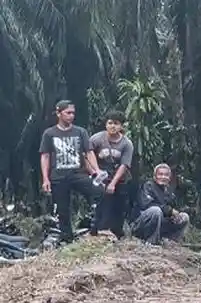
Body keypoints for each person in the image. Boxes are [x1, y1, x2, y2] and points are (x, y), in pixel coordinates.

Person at [39, 100, 101, 243]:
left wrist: (96, 170)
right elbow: (45, 156)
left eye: (73, 113)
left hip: (78, 173)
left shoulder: (80, 131)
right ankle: (67, 239)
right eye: (68, 113)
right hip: (58, 176)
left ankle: (97, 228)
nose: (71, 116)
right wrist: (46, 179)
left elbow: (89, 152)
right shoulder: (49, 133)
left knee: (99, 193)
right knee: (63, 210)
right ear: (59, 113)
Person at [90, 111, 135, 237]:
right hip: (100, 176)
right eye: (110, 123)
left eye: (116, 124)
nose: (112, 126)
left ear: (121, 126)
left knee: (119, 206)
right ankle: (98, 230)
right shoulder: (96, 139)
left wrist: (113, 183)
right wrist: (94, 172)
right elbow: (86, 155)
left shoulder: (126, 143)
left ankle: (117, 232)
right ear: (106, 124)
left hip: (120, 179)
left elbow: (124, 165)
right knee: (101, 203)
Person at [131, 163, 190, 244]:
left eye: (166, 175)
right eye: (160, 174)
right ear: (155, 176)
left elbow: (174, 209)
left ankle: (171, 242)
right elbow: (146, 205)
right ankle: (151, 242)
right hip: (142, 224)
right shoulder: (148, 186)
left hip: (161, 223)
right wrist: (169, 211)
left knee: (184, 217)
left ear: (169, 178)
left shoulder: (169, 192)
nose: (163, 177)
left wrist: (174, 214)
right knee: (155, 211)